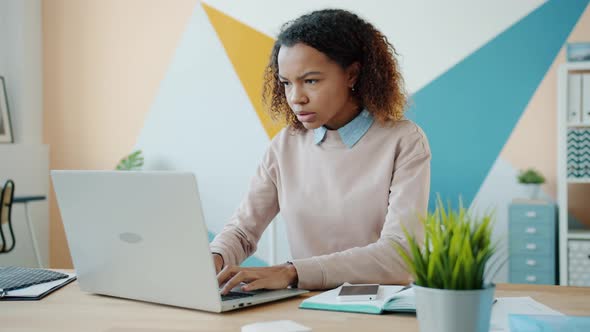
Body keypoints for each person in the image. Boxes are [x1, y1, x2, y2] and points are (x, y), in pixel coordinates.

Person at [211, 8, 430, 295]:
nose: (295, 98)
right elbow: (242, 232)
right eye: (286, 83)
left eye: (310, 81)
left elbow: (400, 255)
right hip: (308, 305)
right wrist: (212, 262)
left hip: (380, 307)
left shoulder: (404, 141)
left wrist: (291, 272)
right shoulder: (284, 145)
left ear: (352, 74)